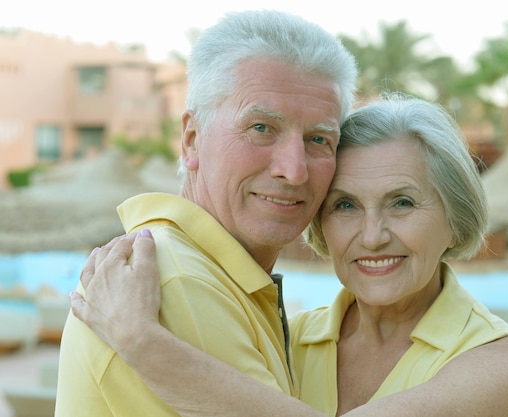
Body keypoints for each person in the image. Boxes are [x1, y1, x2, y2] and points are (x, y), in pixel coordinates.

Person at [71, 93, 508, 417]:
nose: (372, 236)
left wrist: (143, 344)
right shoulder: (288, 339)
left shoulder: (506, 364)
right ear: (321, 222)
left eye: (402, 202)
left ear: (455, 218)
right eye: (345, 205)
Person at [55, 9, 358, 416]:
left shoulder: (219, 275)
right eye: (261, 128)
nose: (294, 169)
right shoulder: (176, 282)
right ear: (192, 140)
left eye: (319, 139)